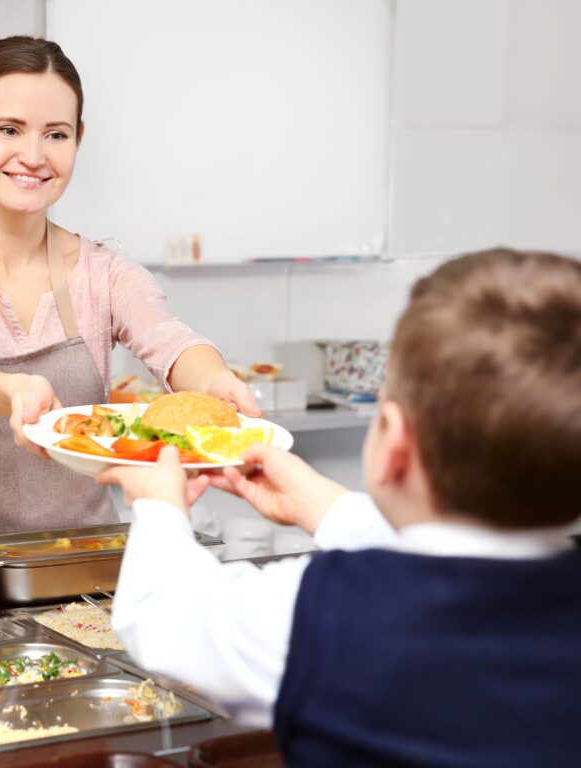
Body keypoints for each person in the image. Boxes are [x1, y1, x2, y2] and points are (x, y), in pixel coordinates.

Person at [98, 248, 581, 767]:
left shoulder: (321, 612)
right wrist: (327, 508)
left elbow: (161, 620)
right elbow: (459, 566)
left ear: (392, 442)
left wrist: (159, 505)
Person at [0, 36, 257, 542]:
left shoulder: (106, 273)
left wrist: (213, 381)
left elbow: (169, 340)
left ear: (78, 138)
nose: (33, 156)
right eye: (9, 129)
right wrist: (11, 388)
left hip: (83, 572)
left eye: (55, 135)